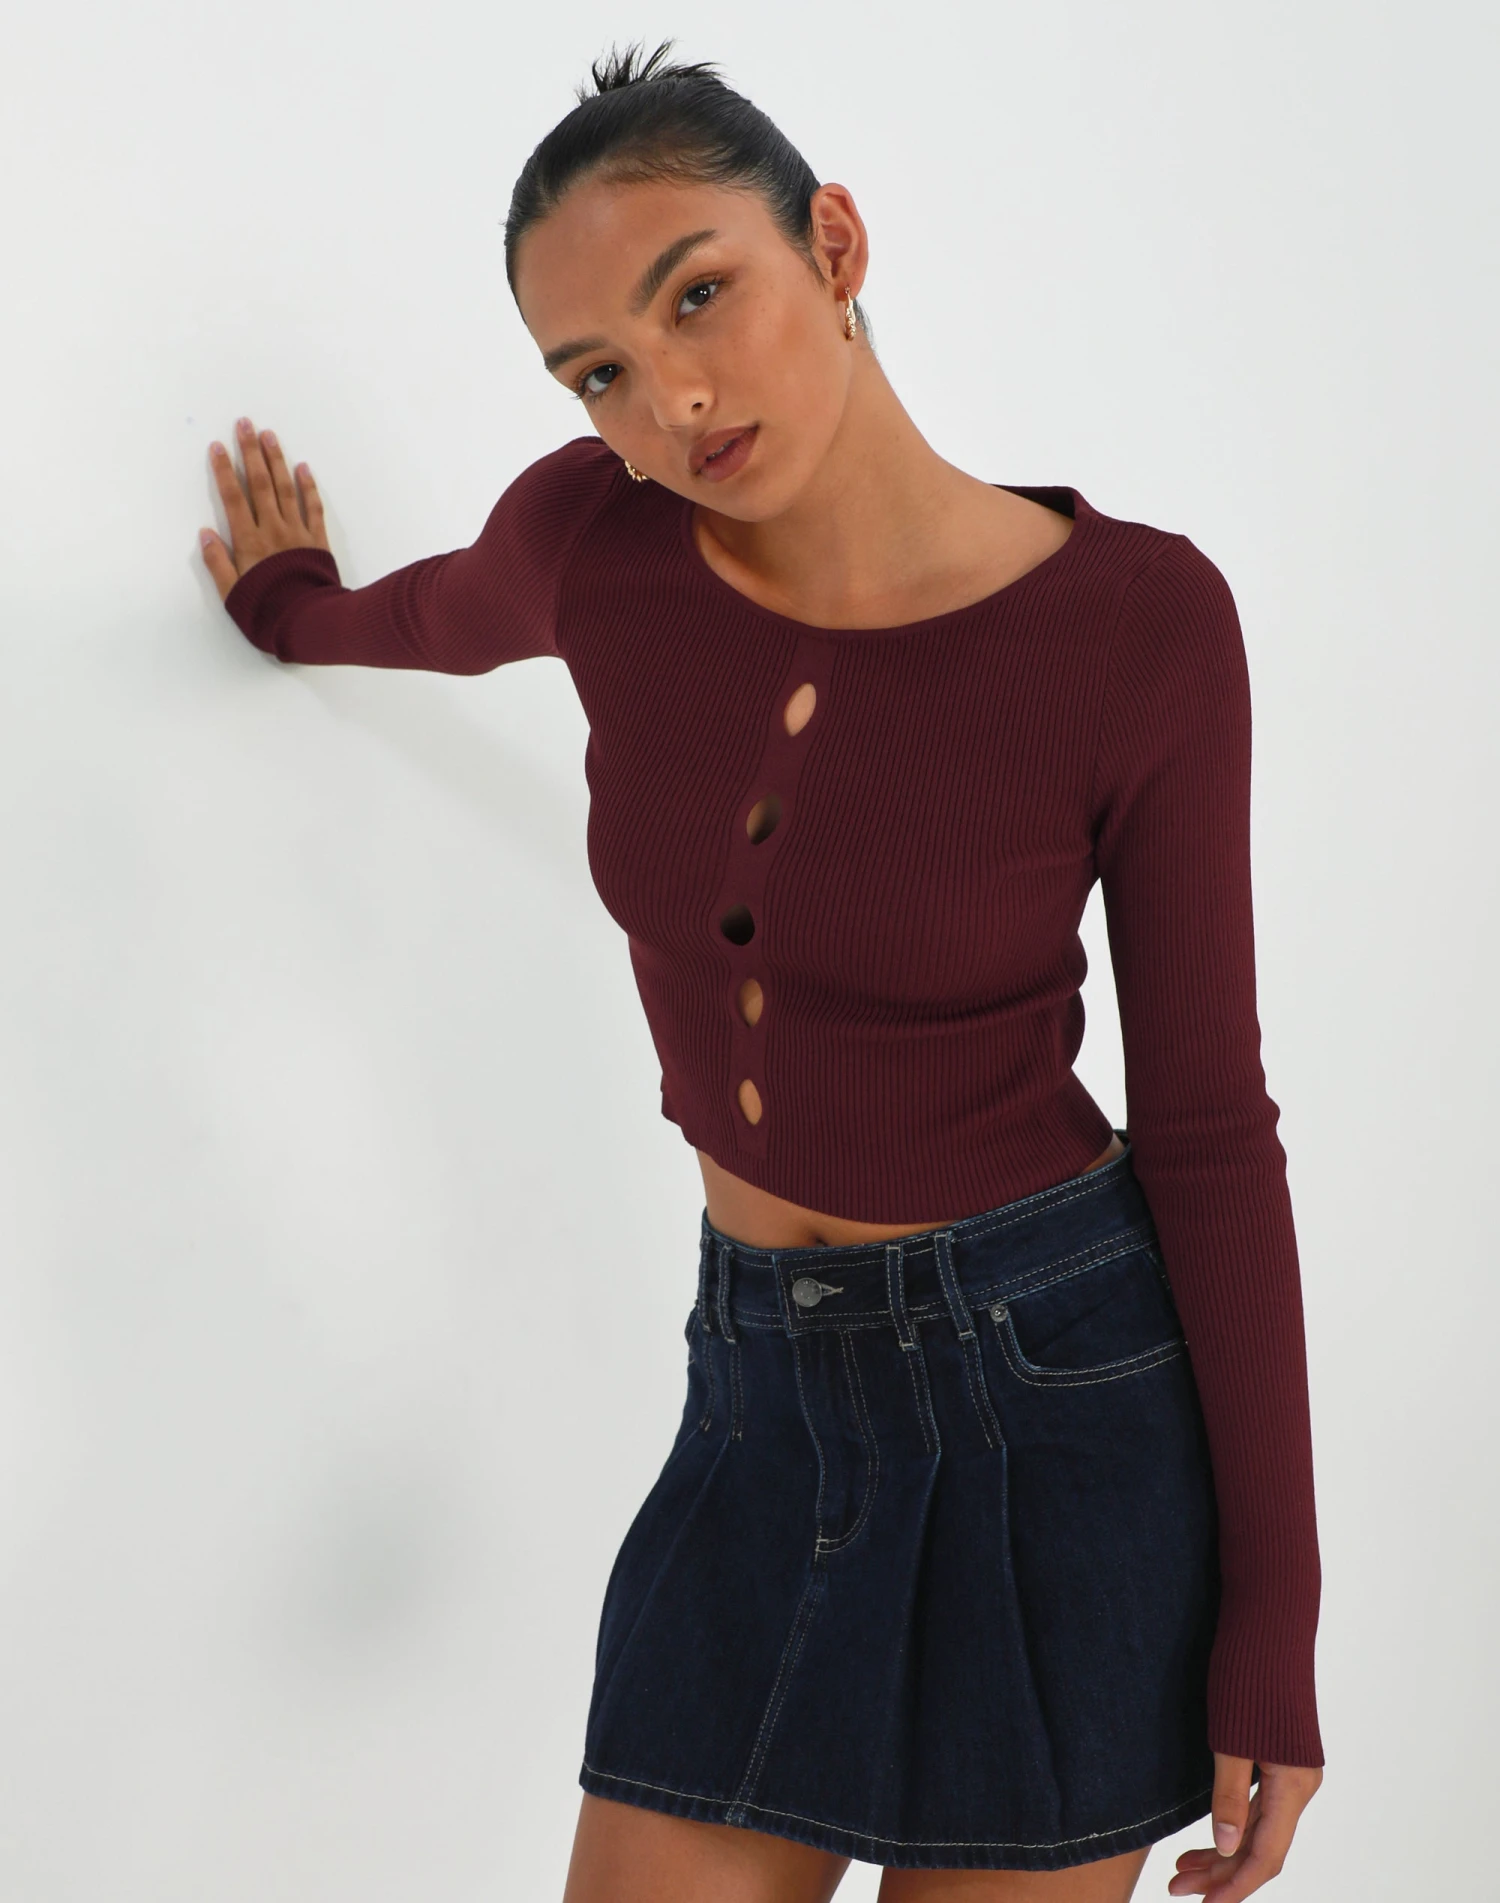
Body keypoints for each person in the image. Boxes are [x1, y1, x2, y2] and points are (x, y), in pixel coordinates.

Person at [198, 40, 1324, 1903]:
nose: (673, 400)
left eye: (698, 293)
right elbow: (435, 615)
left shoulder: (1138, 626)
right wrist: (285, 607)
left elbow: (1209, 1125)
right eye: (599, 373)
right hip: (757, 1400)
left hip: (1057, 1410)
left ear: (837, 244)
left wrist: (1275, 1616)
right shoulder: (596, 543)